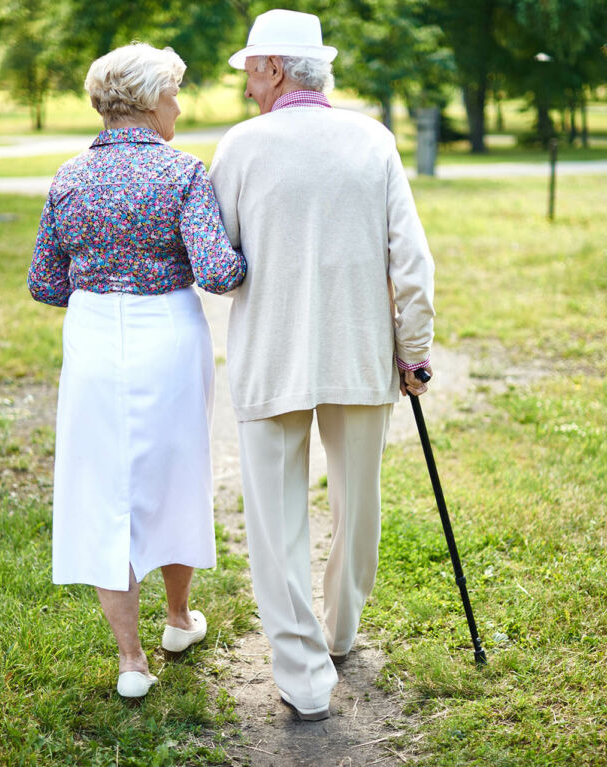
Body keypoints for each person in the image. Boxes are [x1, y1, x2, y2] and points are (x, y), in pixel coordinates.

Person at [209, 9, 435, 721]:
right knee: (355, 504)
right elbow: (413, 263)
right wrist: (414, 349)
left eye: (250, 70)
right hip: (358, 351)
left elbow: (220, 264)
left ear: (274, 67)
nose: (246, 86)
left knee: (275, 521)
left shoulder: (241, 147)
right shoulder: (373, 139)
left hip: (271, 355)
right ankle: (339, 630)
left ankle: (304, 673)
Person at [27, 42, 246, 699]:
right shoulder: (182, 173)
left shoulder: (67, 176)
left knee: (102, 485)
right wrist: (248, 258)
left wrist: (101, 279)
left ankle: (131, 660)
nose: (179, 104)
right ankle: (178, 619)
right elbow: (215, 270)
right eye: (174, 93)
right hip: (168, 335)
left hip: (94, 337)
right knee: (176, 472)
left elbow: (44, 281)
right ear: (152, 102)